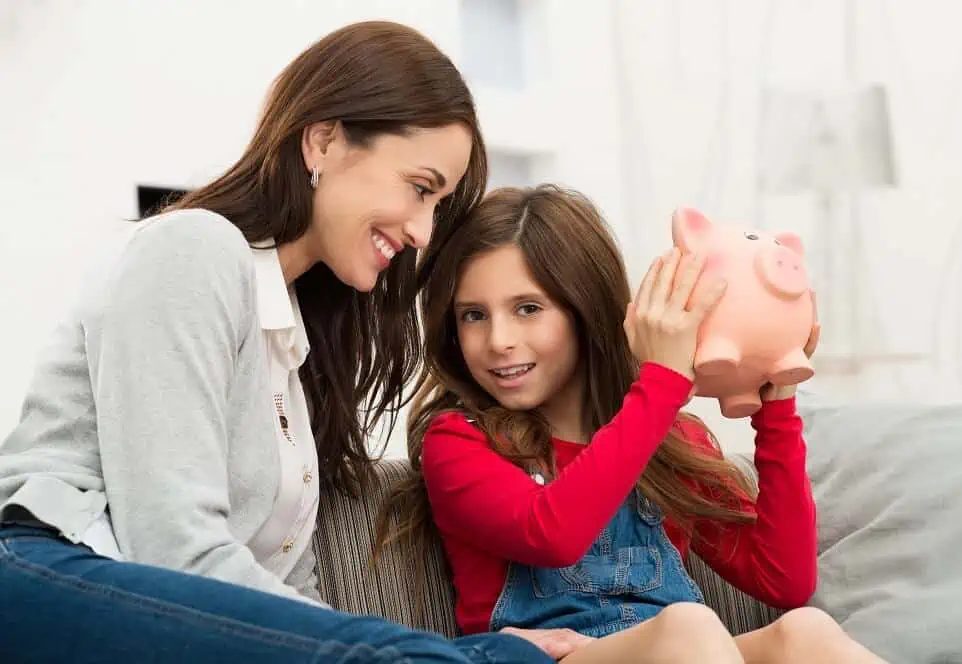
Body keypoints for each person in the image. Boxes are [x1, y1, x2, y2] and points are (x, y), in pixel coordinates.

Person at [0, 21, 554, 664]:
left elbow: (285, 597)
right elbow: (173, 549)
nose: (425, 231)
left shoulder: (291, 348)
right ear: (322, 141)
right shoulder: (192, 248)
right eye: (421, 188)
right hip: (52, 572)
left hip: (165, 615)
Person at [378, 184, 888, 663]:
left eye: (528, 308)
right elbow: (553, 534)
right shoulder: (459, 441)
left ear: (585, 308)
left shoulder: (669, 441)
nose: (499, 341)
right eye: (473, 316)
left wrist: (778, 402)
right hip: (557, 656)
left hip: (681, 651)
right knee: (688, 627)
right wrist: (662, 382)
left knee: (806, 633)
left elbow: (784, 580)